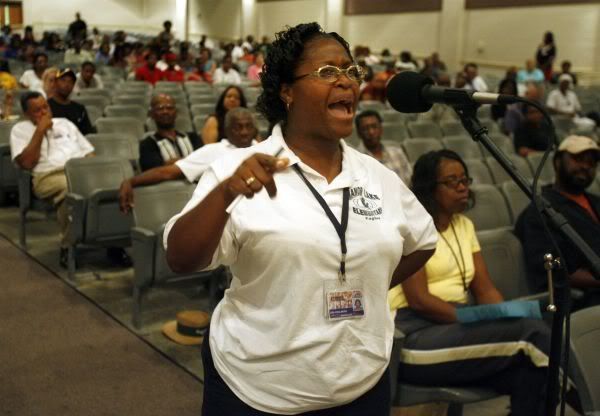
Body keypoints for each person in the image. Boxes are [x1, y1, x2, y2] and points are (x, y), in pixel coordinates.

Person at [164, 22, 437, 415]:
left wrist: (365, 283)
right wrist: (224, 195)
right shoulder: (236, 168)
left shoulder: (377, 177)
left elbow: (423, 241)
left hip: (361, 383)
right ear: (287, 91)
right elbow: (181, 258)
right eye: (327, 72)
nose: (345, 81)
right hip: (256, 387)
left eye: (350, 71)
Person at [390, 149, 553, 416]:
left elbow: (485, 289)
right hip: (412, 337)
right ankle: (586, 399)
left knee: (530, 372)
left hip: (453, 327)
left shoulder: (464, 225)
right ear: (429, 188)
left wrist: (501, 317)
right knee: (534, 334)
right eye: (452, 181)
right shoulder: (412, 227)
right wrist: (473, 318)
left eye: (465, 180)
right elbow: (419, 300)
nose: (463, 187)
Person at [10, 92, 94, 267]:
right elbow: (26, 162)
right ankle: (68, 245)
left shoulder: (65, 124)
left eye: (45, 107)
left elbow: (89, 152)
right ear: (27, 114)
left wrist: (90, 172)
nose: (44, 113)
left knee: (114, 186)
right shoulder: (20, 130)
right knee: (70, 190)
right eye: (37, 111)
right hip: (47, 176)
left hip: (79, 171)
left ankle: (113, 242)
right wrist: (40, 130)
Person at [120, 107, 258, 213]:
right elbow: (167, 172)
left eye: (248, 126)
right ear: (227, 130)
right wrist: (131, 181)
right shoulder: (213, 151)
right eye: (238, 127)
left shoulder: (264, 149)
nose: (244, 132)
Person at [516, 135, 600, 308]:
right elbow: (554, 270)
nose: (585, 166)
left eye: (591, 163)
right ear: (557, 162)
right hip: (585, 299)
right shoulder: (540, 211)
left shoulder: (596, 201)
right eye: (578, 159)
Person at [139, 94, 202, 172]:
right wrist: (191, 160)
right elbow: (154, 170)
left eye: (169, 108)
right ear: (152, 114)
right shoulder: (147, 144)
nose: (165, 112)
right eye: (160, 108)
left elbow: (204, 161)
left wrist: (170, 162)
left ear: (176, 112)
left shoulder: (193, 137)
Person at [355, 110, 412, 185]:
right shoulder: (356, 159)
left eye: (374, 127)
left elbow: (410, 182)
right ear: (359, 133)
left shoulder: (397, 153)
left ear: (381, 129)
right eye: (365, 129)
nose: (371, 132)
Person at [47, 68, 94, 135]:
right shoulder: (46, 107)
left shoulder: (79, 109)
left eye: (71, 81)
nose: (67, 84)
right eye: (63, 80)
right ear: (55, 83)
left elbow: (88, 134)